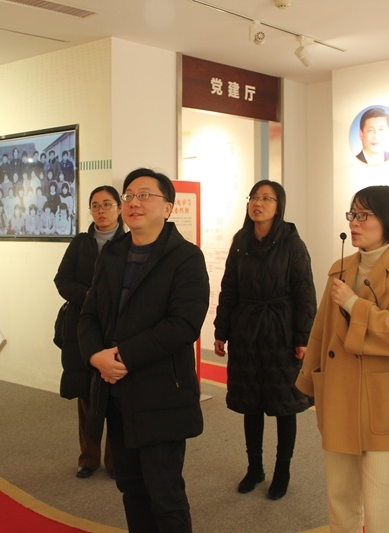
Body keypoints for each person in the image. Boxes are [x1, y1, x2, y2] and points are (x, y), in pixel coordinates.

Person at [296, 185, 389, 532]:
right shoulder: (341, 268)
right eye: (352, 214)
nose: (354, 223)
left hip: (384, 401)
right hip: (340, 395)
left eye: (363, 215)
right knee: (340, 497)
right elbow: (321, 332)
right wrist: (309, 382)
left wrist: (353, 304)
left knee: (384, 500)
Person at [78, 167, 210, 532]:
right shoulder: (112, 254)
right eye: (129, 196)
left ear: (168, 207)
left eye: (145, 195)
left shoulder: (186, 257)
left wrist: (122, 356)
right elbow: (89, 314)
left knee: (165, 494)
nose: (134, 202)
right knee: (131, 487)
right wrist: (95, 356)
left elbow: (183, 324)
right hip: (117, 392)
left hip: (161, 393)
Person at [213, 180, 317, 501]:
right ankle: (254, 467)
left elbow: (305, 293)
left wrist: (303, 337)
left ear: (278, 206)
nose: (258, 203)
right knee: (250, 404)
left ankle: (282, 470)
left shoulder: (292, 244)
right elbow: (229, 288)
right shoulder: (241, 241)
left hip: (281, 331)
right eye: (254, 197)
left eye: (266, 198)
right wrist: (221, 330)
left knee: (285, 405)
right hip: (246, 330)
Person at [54, 185, 126, 479]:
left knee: (117, 398)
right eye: (95, 205)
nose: (101, 210)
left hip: (118, 327)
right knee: (86, 396)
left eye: (107, 204)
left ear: (119, 208)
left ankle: (115, 461)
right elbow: (61, 280)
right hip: (83, 325)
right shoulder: (80, 243)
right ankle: (88, 458)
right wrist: (88, 296)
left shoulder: (129, 242)